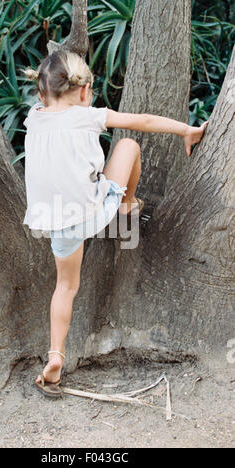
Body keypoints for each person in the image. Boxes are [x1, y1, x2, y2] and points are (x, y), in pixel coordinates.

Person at [22, 49, 208, 398]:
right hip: (92, 212)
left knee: (66, 287)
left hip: (57, 223)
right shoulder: (88, 116)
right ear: (84, 91)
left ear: (42, 94)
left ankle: (55, 358)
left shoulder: (34, 118)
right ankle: (126, 205)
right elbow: (146, 122)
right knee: (126, 145)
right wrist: (187, 130)